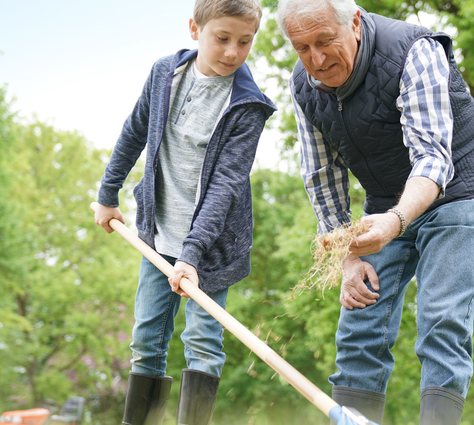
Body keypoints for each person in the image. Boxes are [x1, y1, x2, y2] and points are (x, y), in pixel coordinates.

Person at [276, 0, 474, 423]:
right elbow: (321, 175)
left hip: (457, 188)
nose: (316, 60)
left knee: (441, 321)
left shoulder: (413, 52)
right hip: (384, 199)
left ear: (355, 23)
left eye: (325, 41)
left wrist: (396, 222)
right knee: (359, 322)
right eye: (302, 48)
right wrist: (348, 257)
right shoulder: (303, 84)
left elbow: (433, 159)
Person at [93, 0, 275, 423]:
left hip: (210, 246)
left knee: (203, 341)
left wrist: (191, 256)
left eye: (245, 42)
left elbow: (226, 187)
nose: (233, 51)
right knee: (147, 338)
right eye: (222, 38)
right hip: (158, 232)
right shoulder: (164, 75)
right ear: (195, 29)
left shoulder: (249, 107)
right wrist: (107, 194)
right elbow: (134, 130)